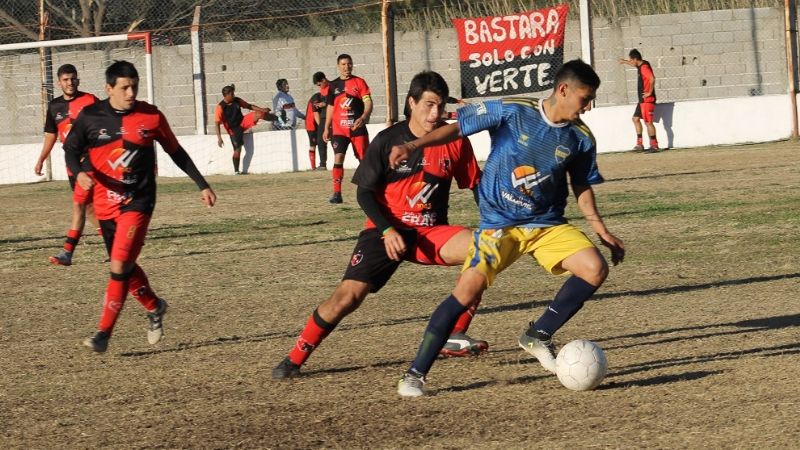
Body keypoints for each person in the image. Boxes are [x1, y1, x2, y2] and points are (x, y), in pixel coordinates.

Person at [390, 59, 626, 397]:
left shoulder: (580, 138)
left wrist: (600, 230)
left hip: (545, 225)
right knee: (466, 291)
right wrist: (413, 146)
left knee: (594, 268)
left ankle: (538, 335)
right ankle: (414, 374)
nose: (588, 107)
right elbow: (457, 127)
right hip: (498, 225)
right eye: (585, 98)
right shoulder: (514, 111)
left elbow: (582, 185)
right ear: (563, 90)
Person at [272, 71, 489, 379]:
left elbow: (476, 185)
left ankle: (455, 335)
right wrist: (386, 230)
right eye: (428, 104)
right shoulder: (389, 140)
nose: (435, 114)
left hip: (429, 232)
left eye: (440, 106)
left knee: (486, 249)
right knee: (347, 298)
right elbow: (363, 192)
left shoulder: (453, 141)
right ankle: (294, 359)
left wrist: (495, 223)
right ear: (412, 103)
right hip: (386, 228)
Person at [63, 60, 217, 352]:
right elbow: (70, 149)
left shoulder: (151, 116)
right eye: (124, 87)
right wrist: (79, 172)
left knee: (119, 263)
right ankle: (155, 306)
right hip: (105, 204)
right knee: (126, 266)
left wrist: (202, 184)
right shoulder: (90, 117)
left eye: (134, 85)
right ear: (109, 89)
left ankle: (103, 333)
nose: (131, 92)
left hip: (139, 201)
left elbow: (176, 152)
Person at [34, 63, 100, 266]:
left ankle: (68, 252)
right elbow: (51, 135)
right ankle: (115, 238)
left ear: (78, 80)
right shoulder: (54, 107)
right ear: (59, 82)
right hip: (72, 163)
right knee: (88, 208)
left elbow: (103, 126)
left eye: (73, 78)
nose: (70, 83)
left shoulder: (90, 100)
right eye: (65, 79)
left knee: (80, 204)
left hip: (90, 159)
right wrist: (41, 159)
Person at [323, 54, 373, 204]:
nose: (347, 67)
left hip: (357, 128)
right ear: (338, 66)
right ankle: (337, 193)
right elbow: (330, 108)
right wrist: (326, 128)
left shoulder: (360, 82)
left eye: (349, 64)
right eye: (343, 64)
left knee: (364, 160)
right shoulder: (332, 86)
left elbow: (368, 102)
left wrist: (364, 117)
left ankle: (370, 190)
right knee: (338, 157)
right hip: (339, 130)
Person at [215, 84, 273, 175]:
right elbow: (217, 123)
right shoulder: (220, 107)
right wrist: (219, 138)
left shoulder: (237, 100)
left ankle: (279, 119)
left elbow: (249, 106)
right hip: (233, 130)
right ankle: (237, 171)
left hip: (243, 122)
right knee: (238, 149)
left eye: (234, 93)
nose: (234, 95)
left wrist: (262, 109)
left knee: (259, 114)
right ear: (226, 95)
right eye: (232, 94)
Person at [619, 49, 659, 152]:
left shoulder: (644, 67)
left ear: (635, 59)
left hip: (647, 99)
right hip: (642, 100)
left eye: (631, 60)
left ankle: (654, 145)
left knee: (648, 122)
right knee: (635, 119)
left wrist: (650, 92)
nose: (631, 62)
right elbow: (633, 65)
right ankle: (640, 144)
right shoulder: (640, 65)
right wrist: (624, 62)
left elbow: (652, 78)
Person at [305, 72, 330, 170]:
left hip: (325, 120)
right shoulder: (316, 97)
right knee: (317, 143)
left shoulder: (332, 88)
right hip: (313, 124)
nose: (319, 87)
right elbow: (315, 114)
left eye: (319, 84)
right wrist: (322, 127)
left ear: (323, 80)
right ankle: (317, 166)